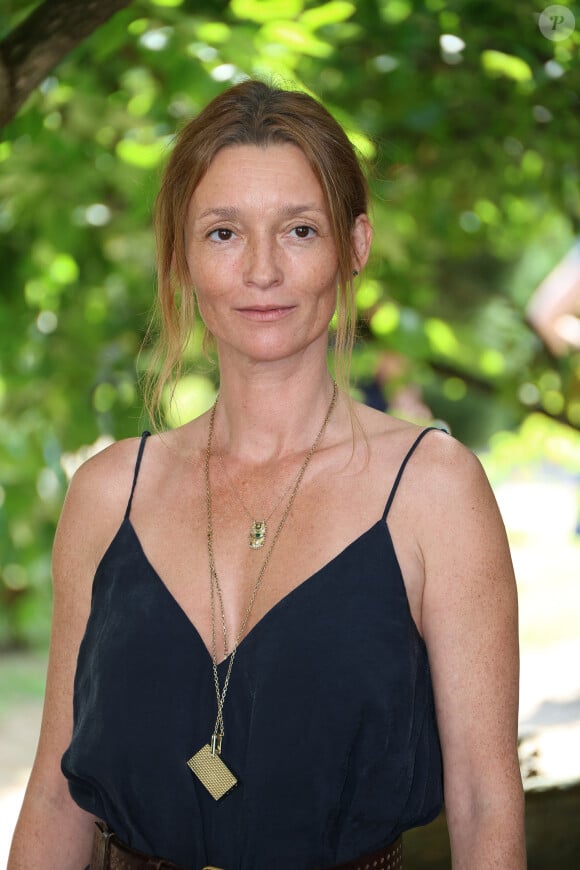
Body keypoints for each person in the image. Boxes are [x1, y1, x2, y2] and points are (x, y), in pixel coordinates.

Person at [8, 79, 525, 869]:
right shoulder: (108, 494)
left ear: (354, 246)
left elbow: (487, 806)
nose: (260, 271)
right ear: (180, 255)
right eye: (222, 233)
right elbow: (54, 794)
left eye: (299, 230)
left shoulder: (434, 490)